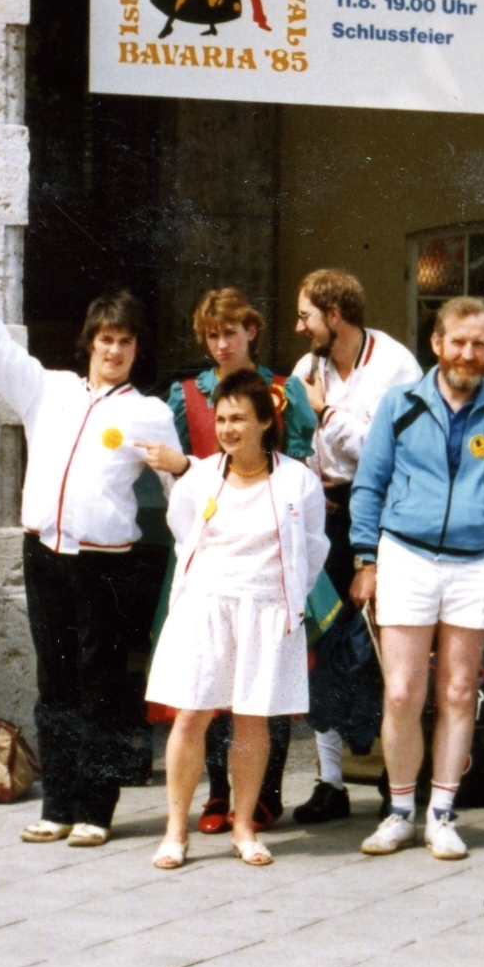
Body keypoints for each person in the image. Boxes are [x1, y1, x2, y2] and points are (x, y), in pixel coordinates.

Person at [0, 241, 179, 846]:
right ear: (90, 342)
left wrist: (184, 472)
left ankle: (97, 810)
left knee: (101, 686)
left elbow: (182, 492)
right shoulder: (46, 390)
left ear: (137, 349)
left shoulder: (150, 413)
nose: (114, 351)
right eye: (106, 339)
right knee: (54, 684)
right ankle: (59, 804)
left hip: (107, 565)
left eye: (126, 341)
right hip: (44, 557)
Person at [350, 296, 484, 861]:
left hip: (477, 562)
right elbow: (370, 483)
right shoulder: (400, 403)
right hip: (406, 556)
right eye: (458, 342)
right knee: (402, 692)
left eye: (480, 344)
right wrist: (365, 558)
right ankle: (399, 812)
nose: (468, 353)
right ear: (437, 344)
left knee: (459, 692)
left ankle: (441, 814)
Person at [145, 370, 327, 869]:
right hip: (207, 606)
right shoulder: (199, 477)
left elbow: (312, 550)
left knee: (252, 718)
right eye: (221, 419)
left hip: (266, 610)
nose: (227, 429)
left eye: (239, 419)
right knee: (191, 714)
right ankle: (175, 830)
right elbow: (184, 530)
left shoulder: (299, 481)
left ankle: (243, 826)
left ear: (265, 421)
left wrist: (283, 601)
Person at [166, 288, 315, 834]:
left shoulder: (286, 389)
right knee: (205, 685)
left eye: (230, 332)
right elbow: (181, 498)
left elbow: (300, 465)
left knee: (264, 681)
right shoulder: (188, 393)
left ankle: (263, 796)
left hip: (274, 546)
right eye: (212, 335)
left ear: (252, 331)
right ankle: (214, 794)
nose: (221, 344)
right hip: (212, 548)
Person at [292, 267, 421, 822]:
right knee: (323, 642)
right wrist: (307, 479)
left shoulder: (395, 366)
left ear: (335, 314)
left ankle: (398, 777)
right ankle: (330, 781)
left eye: (306, 316)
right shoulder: (307, 369)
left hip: (383, 514)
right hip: (323, 513)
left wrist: (327, 412)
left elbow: (389, 450)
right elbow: (296, 441)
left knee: (384, 644)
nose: (299, 328)